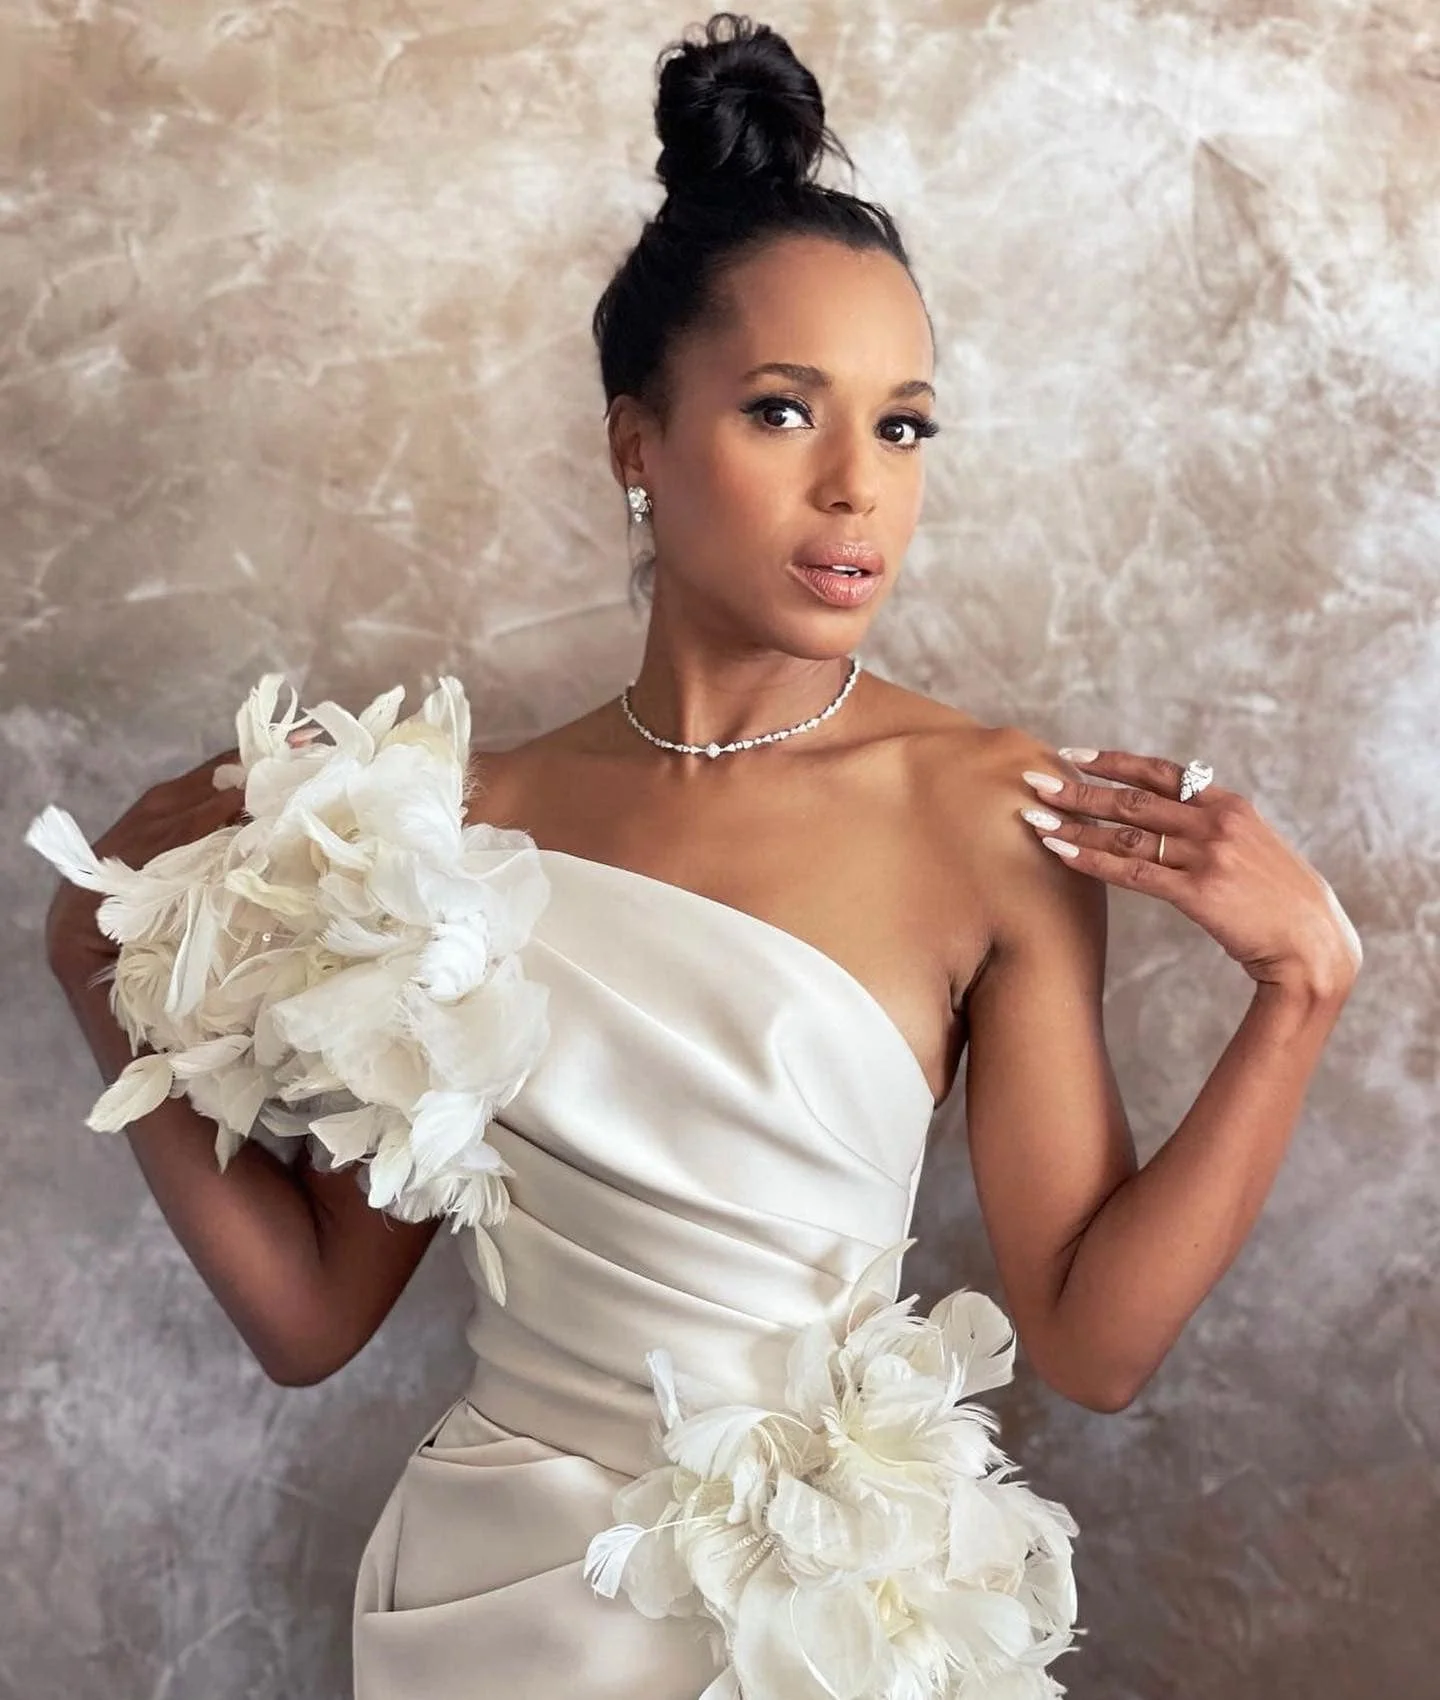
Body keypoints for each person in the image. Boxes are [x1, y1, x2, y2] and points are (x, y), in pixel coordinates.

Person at [41, 12, 1363, 1698]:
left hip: (805, 1636)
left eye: (903, 427)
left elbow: (1093, 1347)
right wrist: (91, 963)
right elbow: (310, 1319)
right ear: (638, 446)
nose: (857, 490)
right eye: (783, 411)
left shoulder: (987, 814)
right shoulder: (448, 820)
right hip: (496, 1617)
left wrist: (1302, 991)